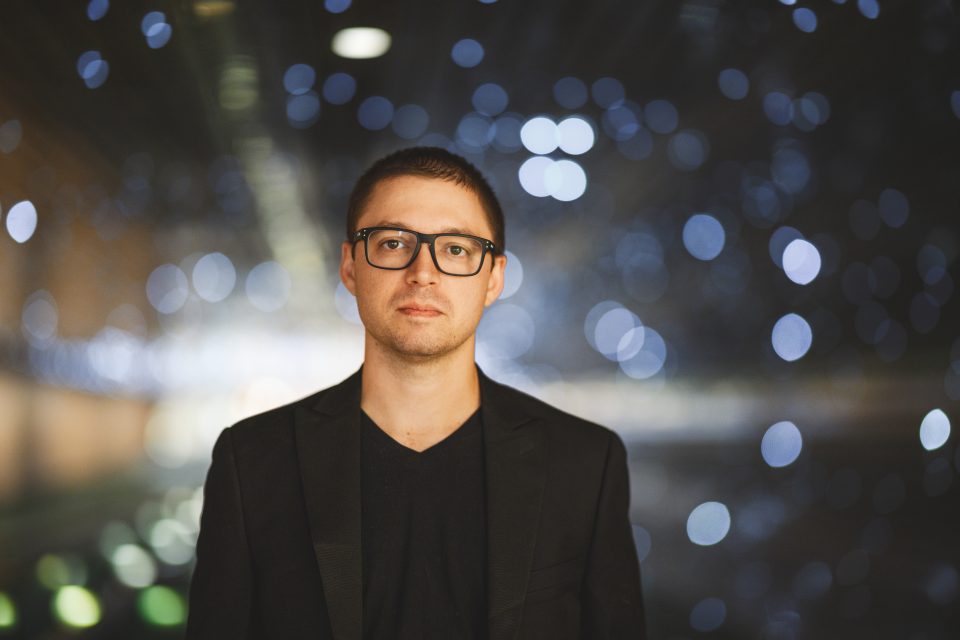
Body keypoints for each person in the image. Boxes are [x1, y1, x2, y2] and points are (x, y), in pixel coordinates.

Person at [185, 146, 647, 639]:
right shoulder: (252, 460)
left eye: (455, 249)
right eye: (392, 243)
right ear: (350, 267)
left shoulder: (585, 463)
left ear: (494, 279)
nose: (423, 272)